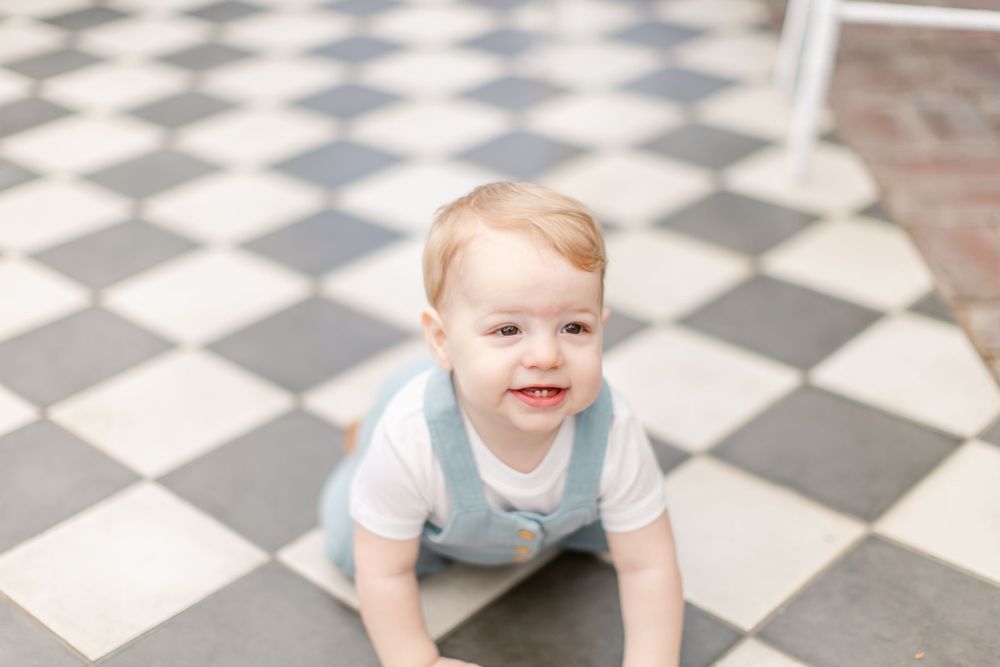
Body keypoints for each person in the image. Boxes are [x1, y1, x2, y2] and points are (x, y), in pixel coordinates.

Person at [319, 181, 684, 667]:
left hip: (542, 501)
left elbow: (649, 565)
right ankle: (364, 438)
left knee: (619, 524)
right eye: (508, 330)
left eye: (575, 327)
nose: (546, 355)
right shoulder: (412, 436)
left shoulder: (612, 426)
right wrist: (416, 660)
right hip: (421, 456)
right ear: (442, 340)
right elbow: (384, 573)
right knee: (352, 548)